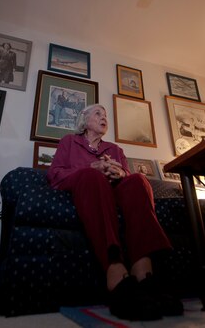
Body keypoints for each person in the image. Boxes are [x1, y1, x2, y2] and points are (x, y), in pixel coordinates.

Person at [47, 104, 183, 321]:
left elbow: (127, 176)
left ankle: (144, 275)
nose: (104, 118)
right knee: (93, 178)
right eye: (98, 114)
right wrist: (92, 168)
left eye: (106, 115)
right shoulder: (69, 142)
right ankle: (116, 275)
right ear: (84, 119)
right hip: (89, 189)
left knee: (138, 180)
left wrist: (119, 172)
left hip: (116, 193)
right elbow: (55, 175)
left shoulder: (114, 149)